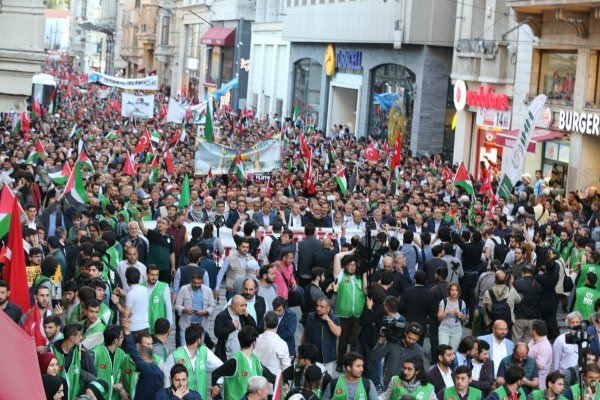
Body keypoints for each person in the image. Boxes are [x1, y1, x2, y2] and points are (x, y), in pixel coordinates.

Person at [211, 326, 276, 400]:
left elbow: (269, 375)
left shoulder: (255, 359)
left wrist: (281, 381)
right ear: (254, 343)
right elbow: (216, 374)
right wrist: (218, 397)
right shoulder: (235, 361)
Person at [163, 325, 223, 400]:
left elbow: (222, 367)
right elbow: (166, 379)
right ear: (198, 340)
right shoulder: (175, 355)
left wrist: (219, 385)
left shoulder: (204, 351)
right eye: (203, 337)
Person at [335, 254, 367, 370]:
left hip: (358, 314)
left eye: (354, 265)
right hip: (343, 314)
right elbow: (337, 257)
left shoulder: (360, 277)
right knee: (343, 340)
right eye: (349, 265)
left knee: (354, 341)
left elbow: (366, 291)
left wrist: (364, 276)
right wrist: (353, 251)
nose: (352, 267)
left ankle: (352, 363)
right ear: (345, 266)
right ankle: (340, 362)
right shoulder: (341, 275)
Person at [52, 323, 97, 400]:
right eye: (79, 336)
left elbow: (91, 373)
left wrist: (82, 393)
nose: (81, 338)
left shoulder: (81, 350)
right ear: (72, 338)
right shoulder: (53, 351)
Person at [302, 296, 342, 376]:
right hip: (312, 356)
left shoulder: (334, 318)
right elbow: (305, 334)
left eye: (321, 306)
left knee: (326, 381)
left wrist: (328, 320)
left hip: (327, 358)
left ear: (328, 308)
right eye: (317, 305)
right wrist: (302, 351)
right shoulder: (311, 317)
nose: (318, 308)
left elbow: (338, 333)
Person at [174, 269, 215, 346]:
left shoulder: (208, 290)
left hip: (201, 325)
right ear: (191, 281)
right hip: (186, 325)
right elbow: (177, 305)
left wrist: (206, 312)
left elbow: (212, 306)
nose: (196, 285)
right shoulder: (183, 289)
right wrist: (184, 309)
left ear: (202, 281)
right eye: (194, 283)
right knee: (185, 348)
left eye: (199, 283)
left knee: (199, 349)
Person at [213, 294, 257, 361]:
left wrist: (247, 316)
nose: (244, 308)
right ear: (233, 306)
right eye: (241, 305)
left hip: (241, 355)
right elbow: (218, 333)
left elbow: (254, 327)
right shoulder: (222, 316)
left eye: (245, 305)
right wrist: (232, 326)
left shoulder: (243, 315)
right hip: (225, 356)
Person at [90, 325, 127, 400]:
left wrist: (121, 384)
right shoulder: (96, 353)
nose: (123, 339)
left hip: (115, 397)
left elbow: (123, 373)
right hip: (99, 397)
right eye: (122, 337)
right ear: (116, 341)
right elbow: (87, 374)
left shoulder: (122, 353)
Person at [136, 216, 175, 284]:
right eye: (159, 222)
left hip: (165, 269)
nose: (160, 224)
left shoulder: (170, 238)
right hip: (152, 268)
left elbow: (171, 253)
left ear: (167, 226)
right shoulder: (152, 234)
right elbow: (143, 228)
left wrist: (173, 267)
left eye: (163, 223)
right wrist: (139, 219)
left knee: (164, 287)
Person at [254, 310, 292, 376]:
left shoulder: (255, 340)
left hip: (256, 379)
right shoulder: (281, 343)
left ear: (265, 324)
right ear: (278, 324)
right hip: (273, 382)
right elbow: (286, 367)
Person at [552, 312, 583, 386]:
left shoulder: (584, 339)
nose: (575, 324)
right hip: (564, 375)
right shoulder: (560, 339)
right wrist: (557, 376)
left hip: (580, 375)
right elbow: (556, 360)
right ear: (568, 323)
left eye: (577, 322)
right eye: (572, 322)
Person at [143, 264, 173, 334]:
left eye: (156, 275)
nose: (154, 277)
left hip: (159, 326)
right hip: (144, 325)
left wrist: (169, 325)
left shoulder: (164, 287)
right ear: (147, 274)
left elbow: (168, 307)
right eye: (152, 274)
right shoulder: (141, 287)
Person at [438, 283, 467, 351]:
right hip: (444, 329)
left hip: (456, 330)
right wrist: (446, 313)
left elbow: (464, 319)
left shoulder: (461, 303)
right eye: (452, 290)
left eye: (456, 290)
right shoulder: (443, 302)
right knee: (443, 350)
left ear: (458, 292)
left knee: (452, 352)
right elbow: (439, 317)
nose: (454, 292)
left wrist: (460, 314)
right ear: (449, 291)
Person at [528, 320, 553, 390]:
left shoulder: (544, 346)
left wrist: (524, 361)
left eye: (531, 329)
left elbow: (540, 366)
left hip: (539, 384)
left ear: (534, 331)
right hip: (531, 379)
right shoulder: (533, 340)